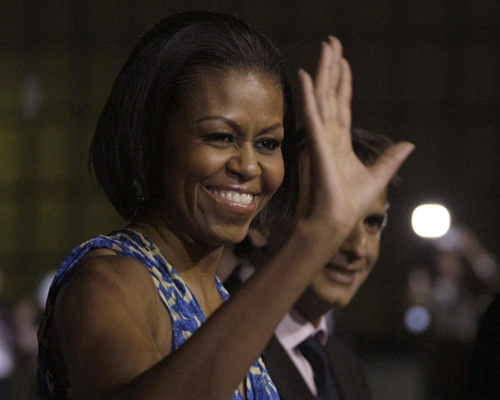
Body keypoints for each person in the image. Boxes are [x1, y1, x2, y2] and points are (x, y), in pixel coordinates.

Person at [37, 10, 413, 400]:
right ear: (149, 140)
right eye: (220, 137)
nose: (249, 166)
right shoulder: (106, 282)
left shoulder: (224, 302)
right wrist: (319, 234)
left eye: (268, 144)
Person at [224, 128, 396, 400]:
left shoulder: (346, 365)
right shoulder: (204, 338)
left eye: (372, 223)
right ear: (262, 223)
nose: (358, 247)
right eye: (333, 220)